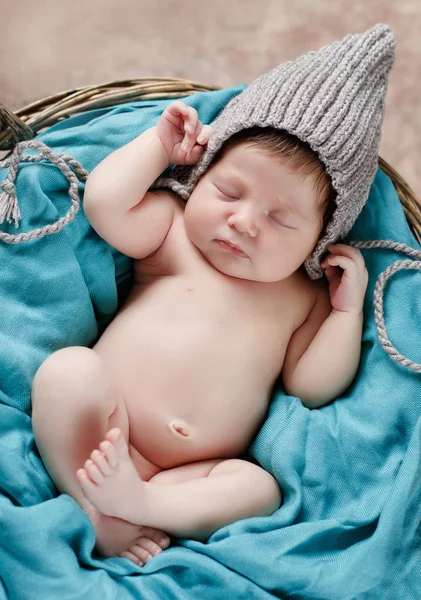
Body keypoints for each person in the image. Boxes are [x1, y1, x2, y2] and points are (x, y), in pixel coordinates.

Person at [30, 24, 394, 566]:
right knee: (66, 373)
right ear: (201, 173)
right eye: (228, 191)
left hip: (192, 474)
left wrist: (346, 311)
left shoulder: (303, 295)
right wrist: (158, 147)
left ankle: (141, 504)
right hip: (107, 426)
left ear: (319, 240)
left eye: (281, 219)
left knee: (257, 489)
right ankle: (95, 506)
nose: (244, 223)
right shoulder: (175, 233)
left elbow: (313, 386)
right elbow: (104, 205)